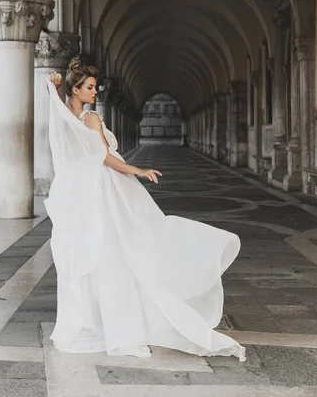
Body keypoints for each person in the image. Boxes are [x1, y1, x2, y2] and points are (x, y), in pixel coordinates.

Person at [45, 59, 246, 362]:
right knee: (124, 248)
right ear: (77, 89)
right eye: (89, 87)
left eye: (96, 87)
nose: (96, 92)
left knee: (93, 255)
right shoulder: (90, 119)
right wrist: (137, 169)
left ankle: (93, 319)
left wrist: (54, 91)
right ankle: (119, 322)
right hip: (103, 190)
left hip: (80, 194)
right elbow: (105, 158)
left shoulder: (66, 117)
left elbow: (66, 124)